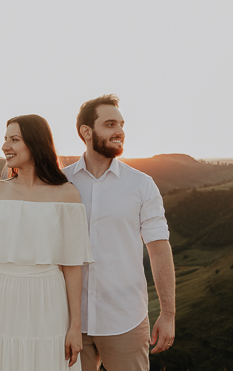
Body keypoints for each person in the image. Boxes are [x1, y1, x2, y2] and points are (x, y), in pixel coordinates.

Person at [0, 114, 94, 371]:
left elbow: (72, 266)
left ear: (35, 143)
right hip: (1, 297)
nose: (5, 146)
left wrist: (74, 328)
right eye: (5, 139)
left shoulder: (67, 194)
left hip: (48, 298)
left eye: (15, 139)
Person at [62, 95, 176, 371]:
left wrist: (168, 314)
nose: (120, 131)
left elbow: (159, 248)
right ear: (86, 132)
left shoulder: (141, 185)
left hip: (125, 318)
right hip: (69, 321)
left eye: (122, 124)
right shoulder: (61, 182)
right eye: (110, 123)